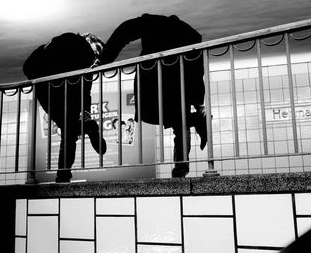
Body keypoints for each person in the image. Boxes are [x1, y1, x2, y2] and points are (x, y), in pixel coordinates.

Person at [99, 14, 208, 178]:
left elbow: (124, 31)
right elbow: (196, 71)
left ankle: (194, 126)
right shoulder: (191, 34)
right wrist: (198, 101)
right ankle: (181, 168)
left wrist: (104, 60)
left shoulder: (151, 22)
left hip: (152, 81)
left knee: (149, 115)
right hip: (179, 85)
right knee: (181, 124)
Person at [23, 32, 107, 183]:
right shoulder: (80, 46)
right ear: (90, 40)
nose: (97, 55)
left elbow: (86, 87)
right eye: (97, 49)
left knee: (68, 131)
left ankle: (63, 174)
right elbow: (85, 85)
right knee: (69, 130)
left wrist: (86, 110)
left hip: (50, 91)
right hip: (56, 91)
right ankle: (89, 128)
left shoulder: (72, 50)